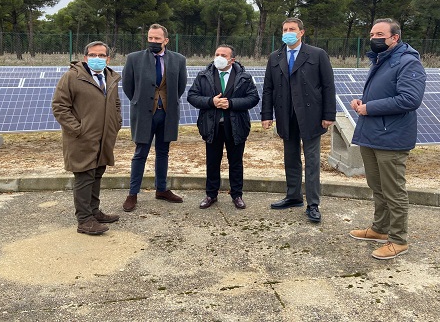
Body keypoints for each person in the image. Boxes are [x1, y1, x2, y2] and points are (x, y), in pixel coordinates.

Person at [349, 18, 426, 260]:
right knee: (377, 187)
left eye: (380, 35)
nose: (374, 39)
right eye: (372, 34)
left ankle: (398, 240)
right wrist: (362, 103)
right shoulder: (381, 60)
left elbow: (410, 99)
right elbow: (384, 95)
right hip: (372, 134)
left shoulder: (408, 62)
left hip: (391, 137)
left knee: (393, 191)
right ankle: (380, 229)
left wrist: (370, 108)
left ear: (395, 37)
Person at [261, 17, 336, 223]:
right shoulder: (275, 57)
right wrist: (266, 115)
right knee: (291, 158)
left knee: (312, 161)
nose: (288, 32)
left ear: (301, 32)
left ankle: (313, 204)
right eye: (285, 29)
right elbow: (268, 88)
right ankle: (293, 196)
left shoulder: (317, 54)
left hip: (311, 116)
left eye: (292, 29)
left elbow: (328, 86)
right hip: (286, 116)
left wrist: (328, 115)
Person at [52, 41, 122, 235]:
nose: (97, 58)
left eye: (101, 55)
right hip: (81, 138)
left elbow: (116, 103)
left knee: (97, 173)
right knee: (84, 176)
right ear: (85, 58)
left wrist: (116, 122)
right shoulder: (72, 77)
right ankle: (84, 220)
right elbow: (59, 106)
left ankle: (94, 211)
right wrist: (78, 129)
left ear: (108, 59)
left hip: (104, 137)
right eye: (92, 55)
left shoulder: (111, 77)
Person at [121, 24, 187, 212]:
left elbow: (180, 86)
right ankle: (133, 193)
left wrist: (165, 102)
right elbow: (128, 86)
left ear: (166, 40)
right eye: (150, 38)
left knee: (163, 152)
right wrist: (139, 101)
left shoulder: (179, 60)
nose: (153, 41)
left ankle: (162, 189)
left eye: (157, 39)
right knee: (140, 153)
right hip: (144, 114)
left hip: (167, 114)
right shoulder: (134, 58)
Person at [187, 44, 260, 210]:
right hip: (211, 126)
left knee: (236, 162)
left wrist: (231, 103)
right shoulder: (203, 76)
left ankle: (237, 195)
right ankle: (211, 194)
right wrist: (210, 101)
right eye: (217, 54)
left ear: (232, 60)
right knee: (212, 162)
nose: (219, 57)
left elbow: (253, 98)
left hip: (236, 126)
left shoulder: (244, 77)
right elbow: (192, 96)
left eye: (224, 55)